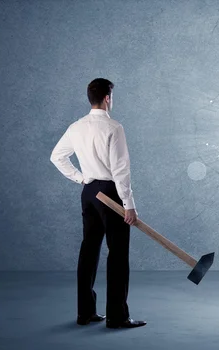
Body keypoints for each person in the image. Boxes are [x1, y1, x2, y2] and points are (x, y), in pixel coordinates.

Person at [50, 78, 146, 329]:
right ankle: (117, 317)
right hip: (111, 193)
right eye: (111, 96)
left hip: (89, 193)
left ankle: (85, 313)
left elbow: (57, 156)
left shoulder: (76, 127)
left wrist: (82, 178)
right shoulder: (114, 128)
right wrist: (129, 205)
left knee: (89, 250)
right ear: (107, 98)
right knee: (117, 254)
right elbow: (121, 171)